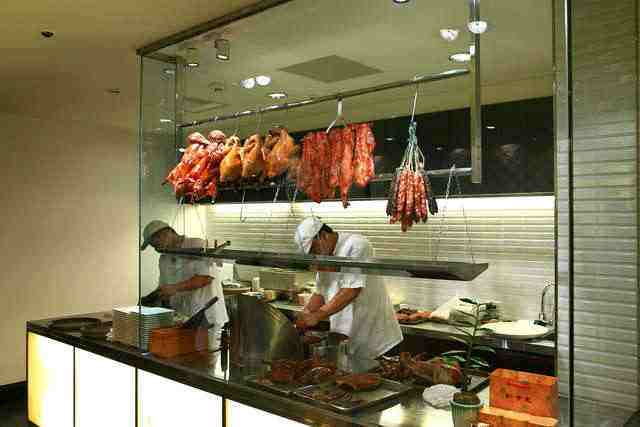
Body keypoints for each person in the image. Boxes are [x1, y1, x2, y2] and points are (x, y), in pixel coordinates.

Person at [294, 217, 402, 371]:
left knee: (375, 381)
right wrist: (305, 313)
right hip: (346, 340)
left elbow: (351, 290)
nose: (313, 255)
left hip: (375, 338)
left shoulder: (357, 245)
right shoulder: (325, 256)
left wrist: (317, 316)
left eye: (313, 249)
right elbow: (320, 292)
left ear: (323, 236)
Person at [141, 220, 228, 350]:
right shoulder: (164, 258)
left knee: (205, 357)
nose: (156, 249)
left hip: (206, 316)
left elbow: (205, 278)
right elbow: (165, 286)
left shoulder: (197, 245)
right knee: (185, 356)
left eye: (155, 244)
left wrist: (174, 288)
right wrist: (153, 298)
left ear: (166, 234)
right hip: (182, 319)